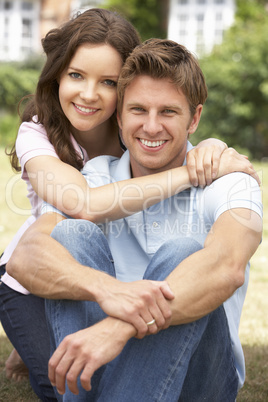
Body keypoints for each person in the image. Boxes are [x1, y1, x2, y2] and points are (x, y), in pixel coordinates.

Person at [7, 38, 262, 401]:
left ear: (196, 117)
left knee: (183, 255)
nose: (152, 126)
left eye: (169, 112)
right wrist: (107, 290)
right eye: (139, 110)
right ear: (120, 115)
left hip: (200, 379)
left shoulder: (231, 178)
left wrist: (118, 327)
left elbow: (226, 265)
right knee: (72, 234)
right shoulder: (96, 176)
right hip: (102, 369)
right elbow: (26, 256)